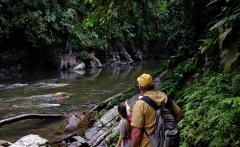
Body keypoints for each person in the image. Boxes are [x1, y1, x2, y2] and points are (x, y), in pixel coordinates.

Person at [131, 73, 184, 147]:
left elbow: (136, 133)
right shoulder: (164, 96)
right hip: (170, 142)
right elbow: (180, 115)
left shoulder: (140, 104)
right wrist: (167, 127)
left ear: (140, 87)